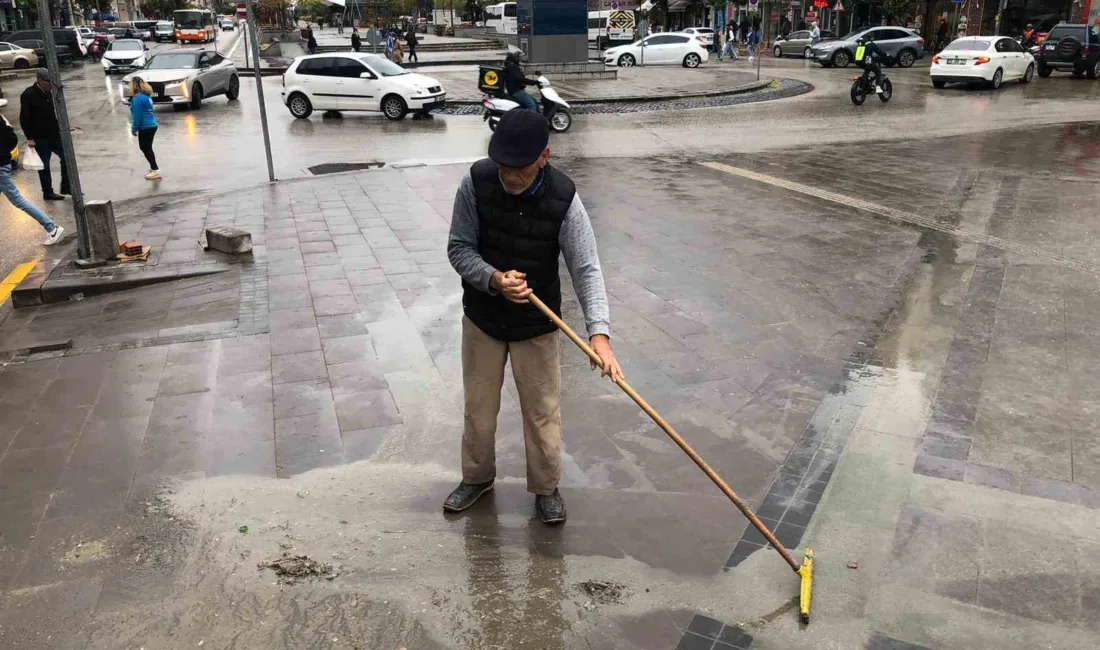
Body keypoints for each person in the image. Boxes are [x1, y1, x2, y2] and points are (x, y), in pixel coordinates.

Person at [444, 109, 621, 524]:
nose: (510, 177)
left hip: (537, 328)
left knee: (542, 412)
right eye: (503, 168)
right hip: (483, 318)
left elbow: (586, 268)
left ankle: (546, 488)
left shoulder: (564, 198)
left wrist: (599, 335)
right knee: (479, 410)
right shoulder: (475, 182)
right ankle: (477, 477)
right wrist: (492, 278)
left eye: (520, 169)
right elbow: (458, 247)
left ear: (544, 156)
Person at [0, 115, 63, 246]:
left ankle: (51, 228)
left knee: (18, 200)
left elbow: (11, 139)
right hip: (4, 163)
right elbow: (12, 139)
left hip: (1, 168)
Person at [20, 69, 70, 202]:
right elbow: (24, 118)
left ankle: (67, 186)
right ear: (40, 80)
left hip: (53, 134)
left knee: (66, 157)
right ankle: (48, 191)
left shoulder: (49, 93)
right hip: (39, 137)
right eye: (48, 82)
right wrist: (29, 138)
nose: (50, 85)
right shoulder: (28, 94)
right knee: (44, 166)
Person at [128, 77, 160, 180]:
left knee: (145, 148)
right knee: (147, 148)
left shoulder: (137, 98)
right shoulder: (146, 97)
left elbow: (137, 115)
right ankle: (153, 168)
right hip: (151, 125)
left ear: (134, 86)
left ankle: (155, 170)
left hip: (145, 126)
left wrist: (134, 128)